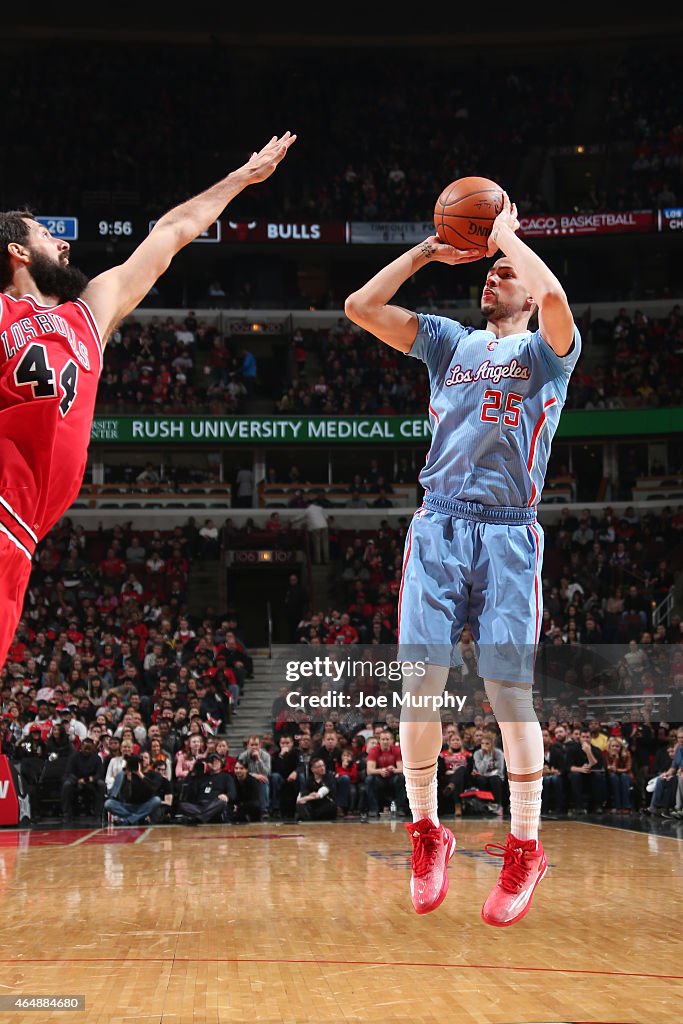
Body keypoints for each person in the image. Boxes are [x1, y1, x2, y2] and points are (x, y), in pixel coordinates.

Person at [344, 191, 581, 924]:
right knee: (421, 689)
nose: (492, 277)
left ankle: (523, 847)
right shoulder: (450, 342)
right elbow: (358, 305)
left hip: (510, 532)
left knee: (509, 696)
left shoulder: (549, 352)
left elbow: (555, 296)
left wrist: (507, 237)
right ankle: (425, 831)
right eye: (489, 270)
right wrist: (424, 251)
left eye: (502, 272)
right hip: (439, 524)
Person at [0, 131, 295, 673]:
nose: (64, 244)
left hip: (19, 540)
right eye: (47, 235)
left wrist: (241, 179)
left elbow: (173, 232)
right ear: (17, 252)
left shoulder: (89, 315)